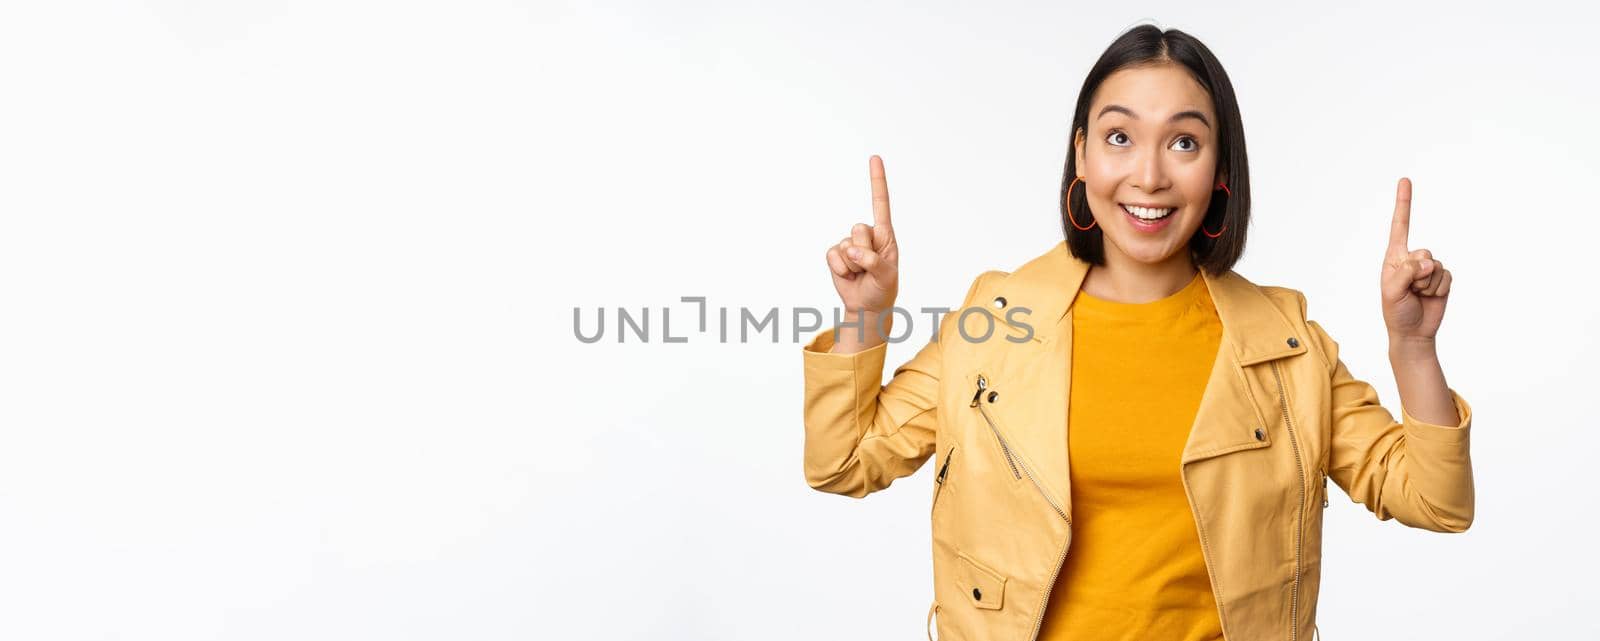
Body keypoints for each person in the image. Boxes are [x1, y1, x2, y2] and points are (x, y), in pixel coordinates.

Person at [800, 24, 1473, 641]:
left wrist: (1413, 348)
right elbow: (843, 461)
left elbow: (1436, 501)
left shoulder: (1285, 344)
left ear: (1219, 170)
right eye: (1120, 137)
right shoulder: (997, 320)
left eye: (1184, 141)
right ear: (1083, 154)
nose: (1149, 175)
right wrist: (867, 313)